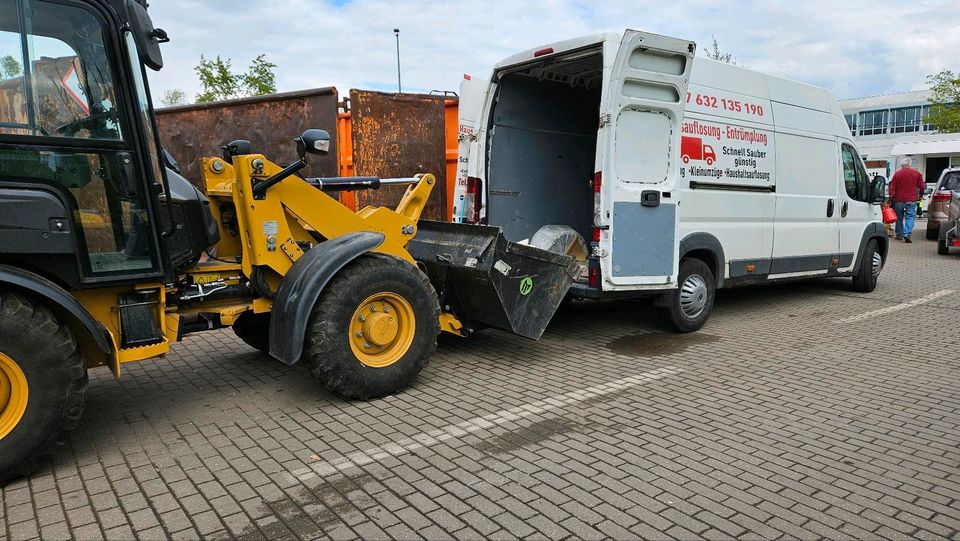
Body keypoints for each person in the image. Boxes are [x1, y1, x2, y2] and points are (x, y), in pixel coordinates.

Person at [887, 157, 925, 242]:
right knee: (910, 217)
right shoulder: (917, 174)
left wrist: (891, 197)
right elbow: (922, 186)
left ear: (902, 165)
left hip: (899, 199)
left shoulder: (897, 174)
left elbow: (892, 187)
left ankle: (899, 234)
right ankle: (907, 233)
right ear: (910, 164)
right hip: (911, 199)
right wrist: (921, 194)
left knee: (899, 217)